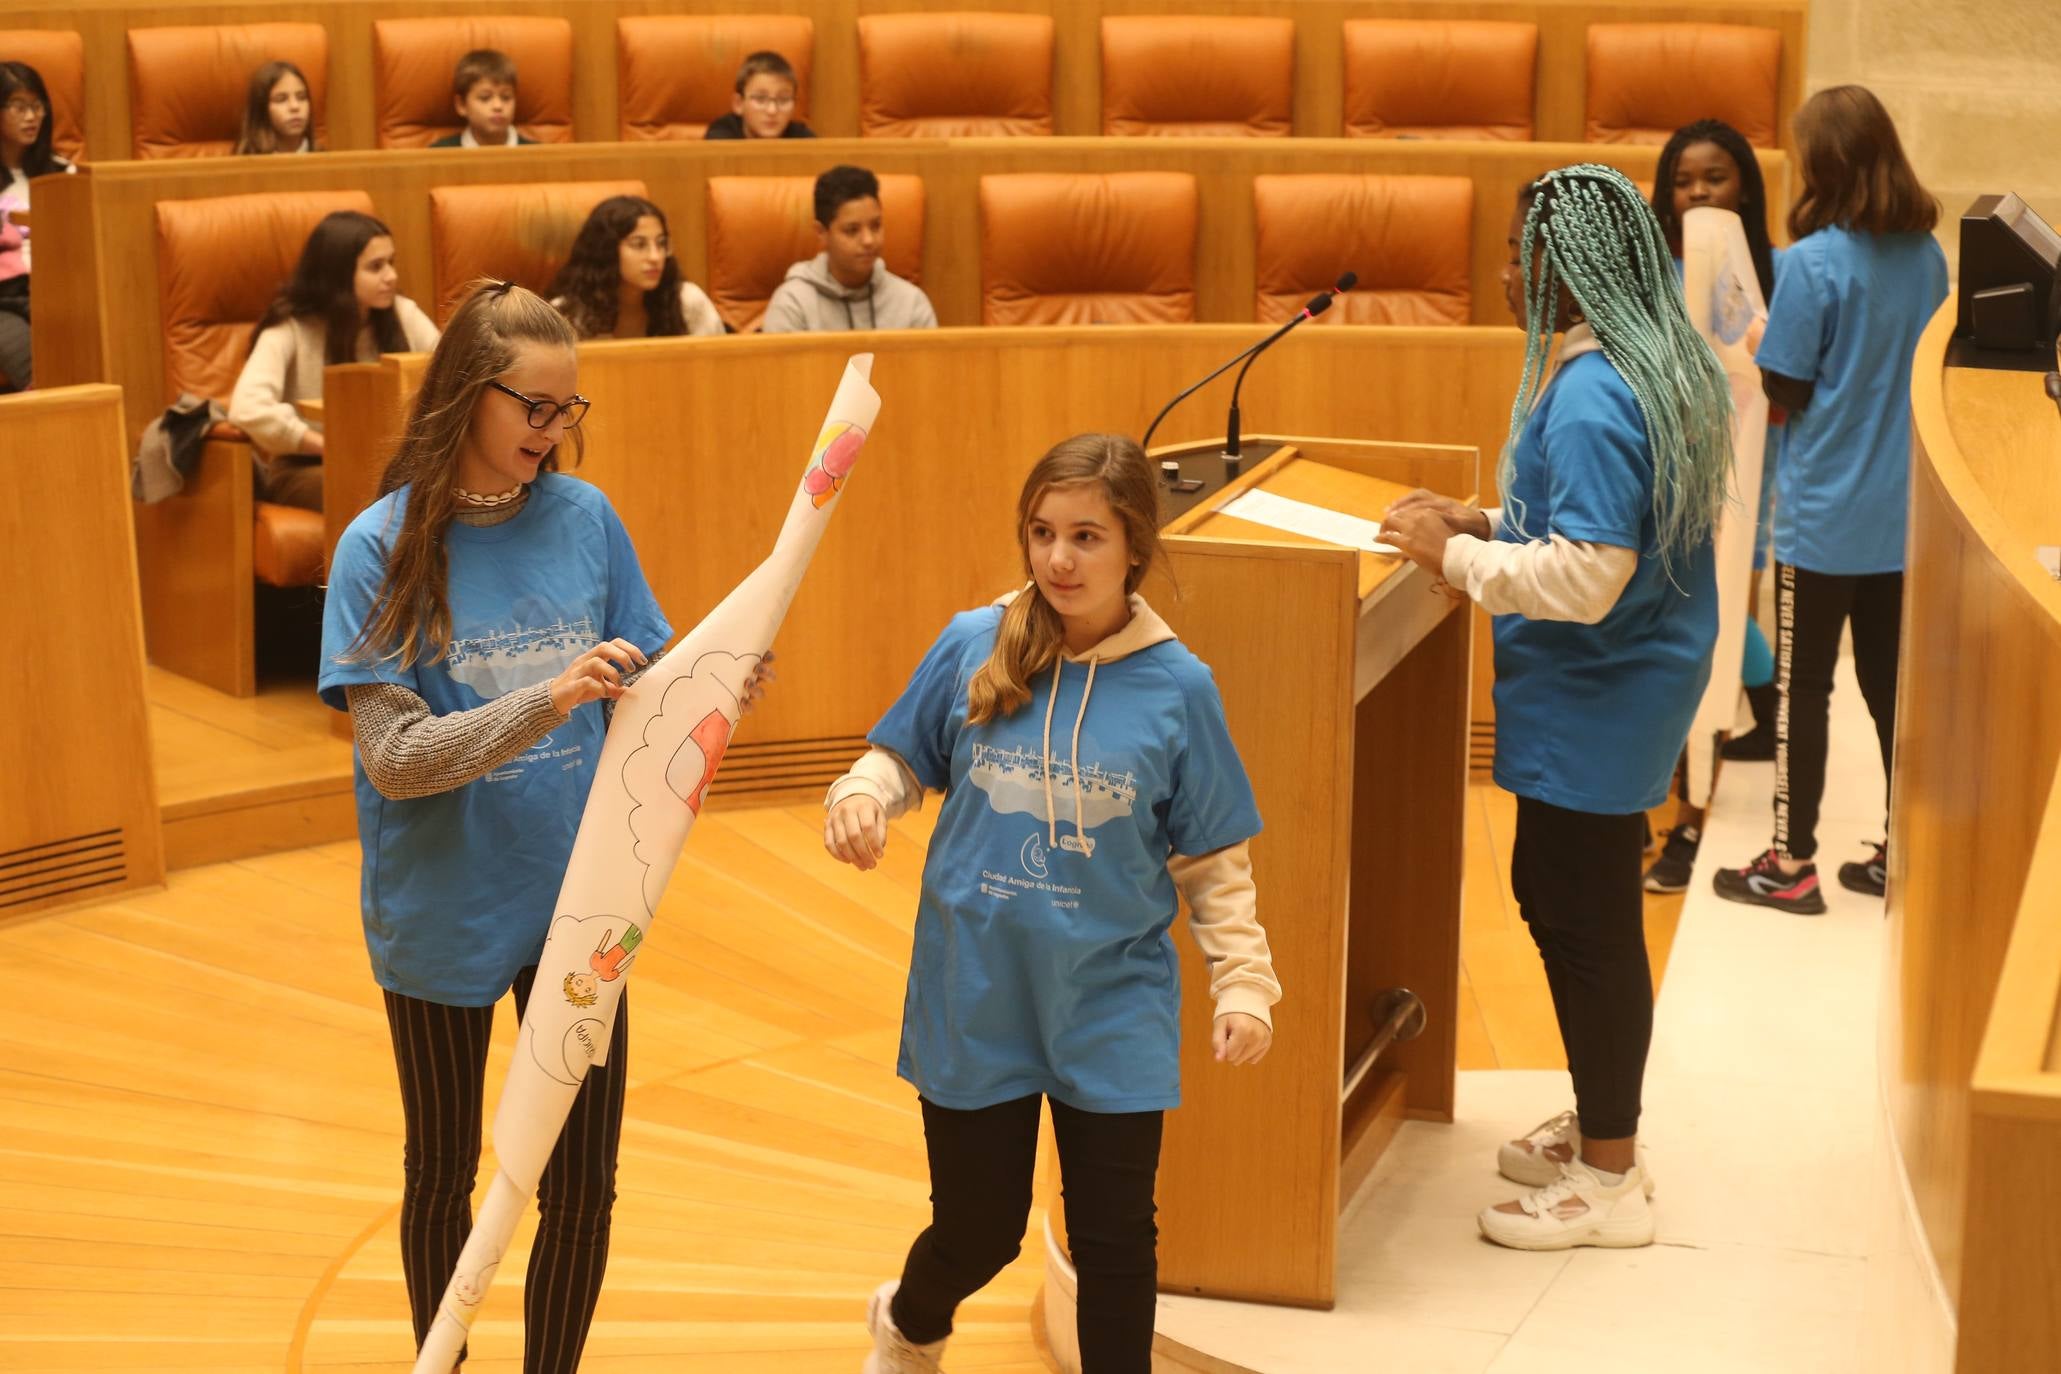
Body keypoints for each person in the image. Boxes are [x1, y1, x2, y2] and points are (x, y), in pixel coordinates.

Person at [320, 281, 763, 1372]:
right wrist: (549, 701)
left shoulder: (587, 518)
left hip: (585, 904)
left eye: (571, 411)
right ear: (470, 395)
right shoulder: (378, 551)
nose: (554, 432)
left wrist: (714, 685)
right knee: (443, 1174)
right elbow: (396, 757)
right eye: (535, 408)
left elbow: (645, 685)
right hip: (442, 915)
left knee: (581, 1184)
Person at [823, 433, 1280, 1370]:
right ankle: (909, 1321)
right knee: (979, 1231)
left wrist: (1244, 982)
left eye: (1086, 537)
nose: (1060, 559)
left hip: (1110, 1001)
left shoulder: (1179, 687)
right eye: (1042, 533)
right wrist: (860, 795)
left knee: (1116, 1244)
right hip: (976, 989)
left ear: (1134, 550)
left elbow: (1211, 858)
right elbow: (901, 757)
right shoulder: (973, 643)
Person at [1381, 164, 1733, 1250]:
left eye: (1514, 256)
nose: (1498, 274)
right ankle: (1603, 1111)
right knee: (1566, 898)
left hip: (1606, 683)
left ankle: (1612, 1177)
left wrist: (1469, 556)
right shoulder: (1636, 360)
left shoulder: (1590, 392)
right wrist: (1482, 519)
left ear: (1566, 270)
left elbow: (1588, 574)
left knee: (1583, 922)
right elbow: (1579, 521)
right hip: (1626, 675)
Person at [1712, 86, 1947, 914]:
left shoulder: (1810, 262)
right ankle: (1897, 851)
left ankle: (1789, 863)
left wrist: (1750, 339)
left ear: (1826, 164)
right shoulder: (1927, 257)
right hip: (1899, 519)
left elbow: (1785, 388)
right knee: (1889, 691)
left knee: (1801, 690)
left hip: (1820, 519)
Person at [1638, 117, 1786, 892]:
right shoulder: (1643, 268)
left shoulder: (1774, 272)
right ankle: (1642, 793)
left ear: (1744, 189)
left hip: (1732, 489)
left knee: (1716, 633)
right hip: (1649, 482)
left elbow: (1781, 375)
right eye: (1683, 181)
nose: (1697, 192)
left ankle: (1690, 820)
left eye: (1715, 179)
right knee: (1647, 637)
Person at [230, 210, 440, 509]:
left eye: (391, 263)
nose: (391, 276)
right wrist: (329, 447)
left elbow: (452, 371)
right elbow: (247, 408)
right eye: (376, 266)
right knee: (380, 492)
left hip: (390, 463)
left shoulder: (402, 313)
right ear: (338, 274)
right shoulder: (290, 327)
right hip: (306, 467)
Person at [763, 165, 937, 333]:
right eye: (852, 230)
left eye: (875, 226)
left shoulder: (912, 302)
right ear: (822, 232)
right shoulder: (792, 305)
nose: (869, 240)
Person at [547, 194, 724, 339]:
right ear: (607, 250)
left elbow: (718, 367)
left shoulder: (687, 301)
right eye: (639, 245)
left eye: (661, 244)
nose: (656, 257)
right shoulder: (567, 315)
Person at [0, 61, 75, 390]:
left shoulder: (63, 173)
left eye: (37, 106)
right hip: (3, 300)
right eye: (19, 107)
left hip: (58, 292)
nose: (32, 117)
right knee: (38, 373)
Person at [430, 49, 535, 148]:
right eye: (485, 98)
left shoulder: (538, 153)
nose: (498, 106)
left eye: (506, 97)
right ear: (461, 105)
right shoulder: (439, 153)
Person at [702, 50, 815, 140]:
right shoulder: (720, 137)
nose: (772, 110)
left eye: (783, 100)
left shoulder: (803, 139)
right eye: (760, 99)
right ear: (739, 104)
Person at [234, 60, 317, 154]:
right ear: (262, 109)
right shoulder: (243, 163)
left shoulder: (327, 159)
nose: (295, 106)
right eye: (281, 99)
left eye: (301, 97)